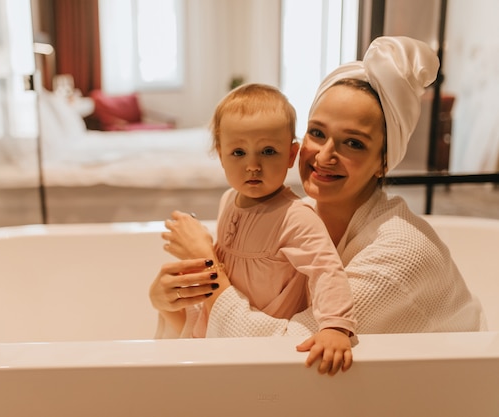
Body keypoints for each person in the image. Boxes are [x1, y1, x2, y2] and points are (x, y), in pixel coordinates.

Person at [149, 35, 485, 369]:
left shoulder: (401, 253)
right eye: (317, 133)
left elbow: (287, 350)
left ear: (384, 161)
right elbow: (248, 306)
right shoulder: (298, 216)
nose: (324, 156)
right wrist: (170, 306)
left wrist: (207, 263)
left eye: (353, 143)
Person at [152, 83, 358, 375]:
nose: (253, 165)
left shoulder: (296, 216)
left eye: (268, 151)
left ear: (291, 155)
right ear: (220, 155)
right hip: (218, 331)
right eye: (238, 152)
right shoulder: (228, 200)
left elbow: (326, 270)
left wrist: (336, 326)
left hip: (263, 347)